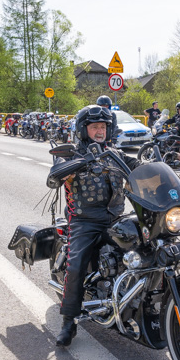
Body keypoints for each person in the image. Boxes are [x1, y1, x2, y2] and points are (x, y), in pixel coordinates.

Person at [46, 105, 142, 346]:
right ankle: (69, 321)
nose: (100, 131)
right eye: (95, 127)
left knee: (149, 245)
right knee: (76, 264)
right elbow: (53, 176)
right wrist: (72, 166)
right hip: (85, 221)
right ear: (83, 129)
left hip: (116, 219)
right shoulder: (71, 153)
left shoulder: (114, 153)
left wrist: (164, 162)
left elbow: (140, 166)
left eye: (103, 127)